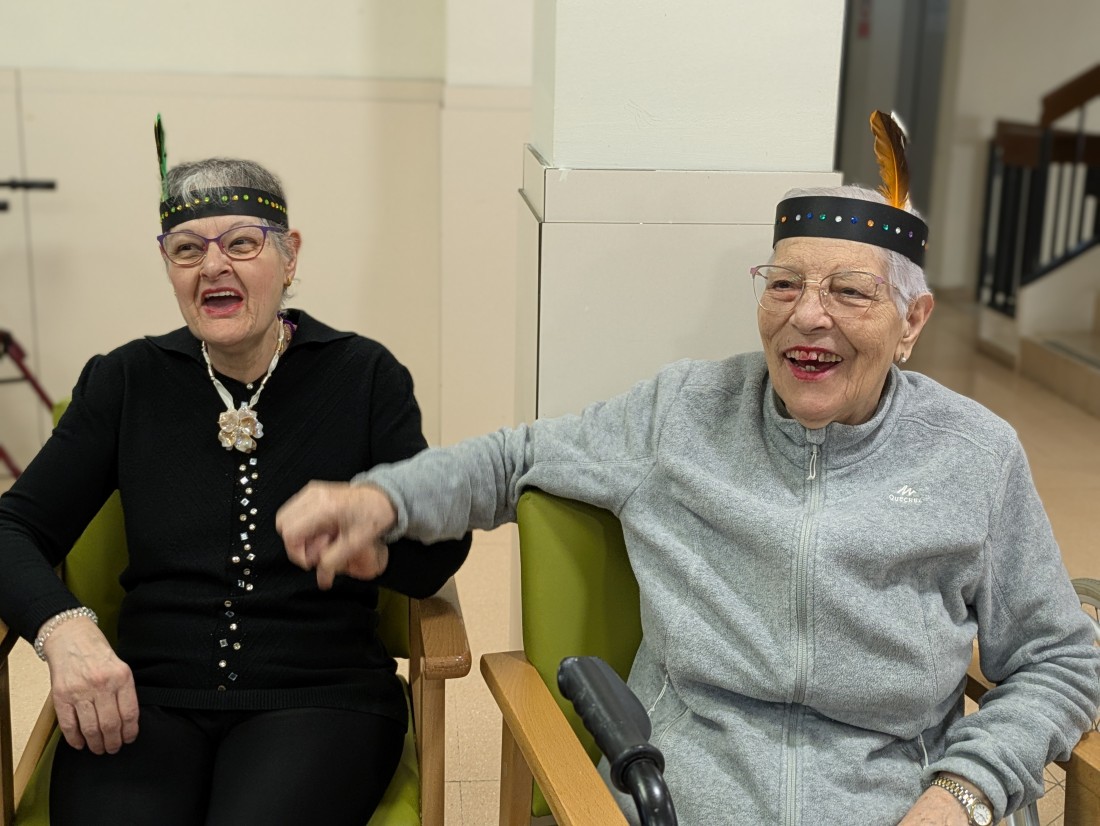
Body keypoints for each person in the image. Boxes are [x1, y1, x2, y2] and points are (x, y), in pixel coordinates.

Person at [277, 113, 1100, 826]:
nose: (808, 315)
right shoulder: (683, 413)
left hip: (899, 799)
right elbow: (514, 458)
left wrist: (964, 793)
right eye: (784, 284)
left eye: (851, 292)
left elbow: (1061, 659)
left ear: (911, 320)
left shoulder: (975, 453)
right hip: (688, 793)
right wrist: (382, 499)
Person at [0, 119, 471, 826]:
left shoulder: (363, 376)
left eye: (242, 243)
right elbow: (12, 526)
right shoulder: (126, 381)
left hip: (320, 695)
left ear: (289, 255)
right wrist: (63, 629)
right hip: (146, 694)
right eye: (187, 249)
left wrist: (381, 538)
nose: (212, 266)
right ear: (167, 265)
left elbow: (439, 554)